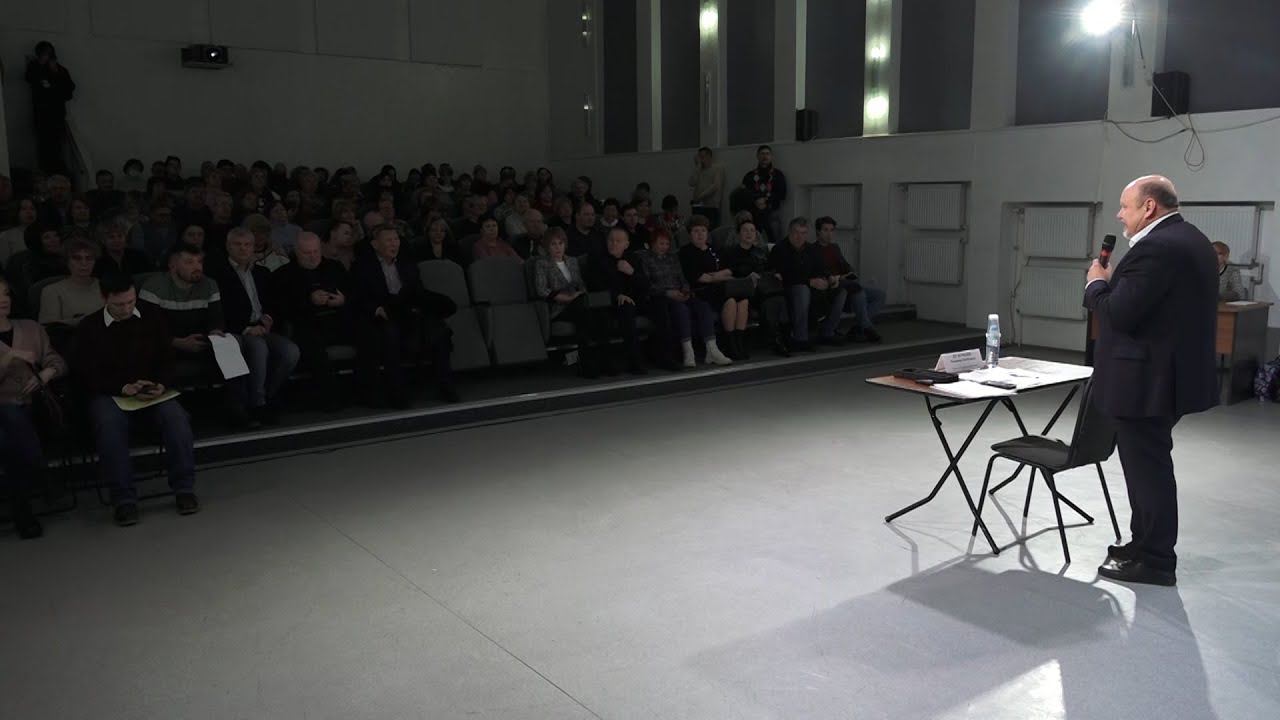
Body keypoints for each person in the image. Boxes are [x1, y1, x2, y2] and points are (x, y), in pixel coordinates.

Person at [1084, 175, 1218, 586]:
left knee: (1149, 471)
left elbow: (1120, 314)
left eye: (1125, 206)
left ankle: (1156, 559)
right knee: (1146, 466)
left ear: (1149, 207)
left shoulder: (1157, 248)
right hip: (1167, 375)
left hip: (1147, 382)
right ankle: (1142, 544)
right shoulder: (1192, 239)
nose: (1119, 215)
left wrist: (1096, 283)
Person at [73, 273, 198, 526]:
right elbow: (86, 372)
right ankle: (124, 499)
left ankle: (184, 488)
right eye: (119, 304)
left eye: (131, 302)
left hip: (152, 389)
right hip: (111, 392)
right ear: (104, 298)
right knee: (109, 426)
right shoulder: (90, 327)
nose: (127, 308)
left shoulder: (152, 316)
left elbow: (167, 358)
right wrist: (122, 387)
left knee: (177, 418)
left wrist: (161, 382)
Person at [140, 244, 254, 428]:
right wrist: (177, 342)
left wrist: (215, 333)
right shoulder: (154, 287)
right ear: (173, 265)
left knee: (231, 346)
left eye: (199, 261)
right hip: (167, 345)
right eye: (189, 262)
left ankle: (238, 408)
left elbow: (216, 321)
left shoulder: (209, 284)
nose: (197, 267)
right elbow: (148, 330)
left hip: (200, 342)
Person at [350, 224, 459, 407]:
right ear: (375, 244)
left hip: (408, 309)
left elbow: (417, 290)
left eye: (396, 239)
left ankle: (446, 385)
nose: (394, 244)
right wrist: (376, 309)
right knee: (390, 335)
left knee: (439, 331)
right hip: (383, 313)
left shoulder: (407, 262)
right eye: (389, 240)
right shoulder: (363, 266)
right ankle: (397, 393)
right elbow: (357, 297)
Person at [0, 276, 67, 539]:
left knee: (12, 436)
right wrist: (8, 357)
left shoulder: (30, 327)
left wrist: (46, 374)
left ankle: (23, 507)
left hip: (36, 407)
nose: (3, 300)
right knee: (10, 424)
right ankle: (39, 477)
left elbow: (57, 361)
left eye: (6, 293)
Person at [210, 228, 300, 424]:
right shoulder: (218, 274)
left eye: (247, 245)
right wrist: (246, 328)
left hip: (262, 327)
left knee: (290, 351)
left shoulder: (262, 272)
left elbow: (274, 302)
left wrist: (268, 317)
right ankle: (258, 404)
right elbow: (221, 309)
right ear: (228, 247)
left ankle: (264, 395)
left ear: (253, 247)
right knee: (258, 347)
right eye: (238, 244)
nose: (243, 249)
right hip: (234, 330)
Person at [272, 232, 351, 408]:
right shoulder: (284, 275)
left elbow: (354, 293)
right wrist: (309, 300)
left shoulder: (334, 267)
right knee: (312, 342)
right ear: (297, 252)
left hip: (339, 320)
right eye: (307, 253)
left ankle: (366, 390)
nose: (313, 256)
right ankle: (331, 398)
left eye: (316, 251)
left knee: (369, 331)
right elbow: (282, 309)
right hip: (307, 324)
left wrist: (342, 300)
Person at [637, 228, 731, 368]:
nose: (664, 247)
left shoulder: (672, 257)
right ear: (653, 243)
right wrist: (668, 292)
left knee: (702, 306)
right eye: (661, 244)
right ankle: (688, 351)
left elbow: (682, 277)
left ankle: (712, 348)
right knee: (681, 309)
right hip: (662, 296)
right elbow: (647, 284)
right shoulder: (645, 259)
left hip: (680, 292)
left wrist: (685, 289)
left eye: (667, 244)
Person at [532, 228, 609, 377]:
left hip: (578, 302)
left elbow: (580, 284)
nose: (558, 247)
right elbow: (541, 290)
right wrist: (568, 298)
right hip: (559, 307)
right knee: (585, 314)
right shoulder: (542, 263)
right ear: (547, 246)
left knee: (598, 314)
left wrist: (581, 293)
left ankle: (600, 361)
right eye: (553, 244)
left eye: (560, 243)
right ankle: (587, 365)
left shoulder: (572, 261)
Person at [770, 217, 847, 350]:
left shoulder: (811, 249)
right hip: (789, 288)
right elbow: (785, 274)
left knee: (841, 290)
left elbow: (821, 267)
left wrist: (829, 278)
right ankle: (800, 338)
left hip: (812, 285)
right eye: (796, 232)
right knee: (802, 290)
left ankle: (828, 332)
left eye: (803, 233)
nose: (800, 237)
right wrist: (809, 282)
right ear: (789, 232)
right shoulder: (780, 249)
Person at [680, 216, 749, 359]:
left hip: (721, 287)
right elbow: (699, 277)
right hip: (702, 291)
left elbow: (729, 270)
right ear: (689, 234)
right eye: (696, 231)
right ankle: (730, 344)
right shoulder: (686, 252)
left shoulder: (714, 249)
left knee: (743, 301)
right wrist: (717, 276)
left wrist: (715, 275)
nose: (700, 234)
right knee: (730, 301)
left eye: (703, 230)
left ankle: (739, 342)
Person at [585, 227, 648, 374]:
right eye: (611, 240)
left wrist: (631, 272)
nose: (613, 244)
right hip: (605, 302)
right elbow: (594, 284)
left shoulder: (633, 258)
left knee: (631, 308)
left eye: (618, 241)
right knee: (609, 313)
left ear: (626, 244)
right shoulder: (596, 258)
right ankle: (609, 362)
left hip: (632, 302)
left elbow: (645, 285)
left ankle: (637, 360)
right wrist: (616, 295)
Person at [724, 217, 789, 356]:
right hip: (741, 290)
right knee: (769, 299)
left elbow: (769, 269)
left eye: (752, 231)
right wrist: (746, 278)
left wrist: (775, 274)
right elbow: (727, 274)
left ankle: (779, 339)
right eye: (745, 230)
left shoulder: (760, 252)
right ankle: (774, 340)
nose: (749, 233)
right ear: (738, 234)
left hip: (761, 289)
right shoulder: (730, 252)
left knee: (776, 299)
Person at [814, 216, 883, 342]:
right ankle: (866, 327)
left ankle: (858, 327)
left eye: (832, 230)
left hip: (846, 283)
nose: (829, 234)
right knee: (856, 289)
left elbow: (845, 265)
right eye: (825, 230)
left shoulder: (835, 247)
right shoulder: (813, 250)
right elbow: (820, 271)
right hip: (832, 286)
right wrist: (838, 277)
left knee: (879, 295)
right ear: (818, 232)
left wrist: (850, 271)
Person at [25, 41, 75, 173]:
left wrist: (55, 74)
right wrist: (42, 66)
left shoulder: (60, 70)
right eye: (44, 54)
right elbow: (29, 77)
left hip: (56, 114)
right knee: (44, 145)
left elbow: (69, 91)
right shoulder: (35, 67)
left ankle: (57, 172)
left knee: (56, 145)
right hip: (42, 114)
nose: (47, 57)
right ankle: (47, 171)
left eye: (48, 54)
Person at [39, 236, 101, 329]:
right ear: (67, 261)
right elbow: (49, 327)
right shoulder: (52, 291)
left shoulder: (106, 286)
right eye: (77, 258)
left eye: (89, 258)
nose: (84, 263)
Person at [742, 145, 787, 244]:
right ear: (757, 156)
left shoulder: (778, 175)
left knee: (774, 243)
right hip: (754, 214)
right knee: (752, 242)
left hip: (772, 212)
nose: (765, 156)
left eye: (767, 154)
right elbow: (744, 194)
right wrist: (756, 201)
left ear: (771, 156)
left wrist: (766, 200)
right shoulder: (750, 176)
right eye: (762, 154)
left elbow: (782, 194)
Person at [689, 146, 725, 229]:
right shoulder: (699, 170)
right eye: (699, 157)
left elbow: (715, 186)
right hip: (697, 206)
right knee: (696, 228)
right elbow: (691, 183)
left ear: (709, 157)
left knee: (711, 230)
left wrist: (700, 197)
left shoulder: (717, 168)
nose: (700, 159)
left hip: (711, 206)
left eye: (702, 157)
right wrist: (698, 167)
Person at [0, 198, 39, 265]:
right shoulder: (5, 236)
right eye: (24, 209)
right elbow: (5, 264)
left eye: (32, 208)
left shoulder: (44, 233)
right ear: (17, 212)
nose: (29, 212)